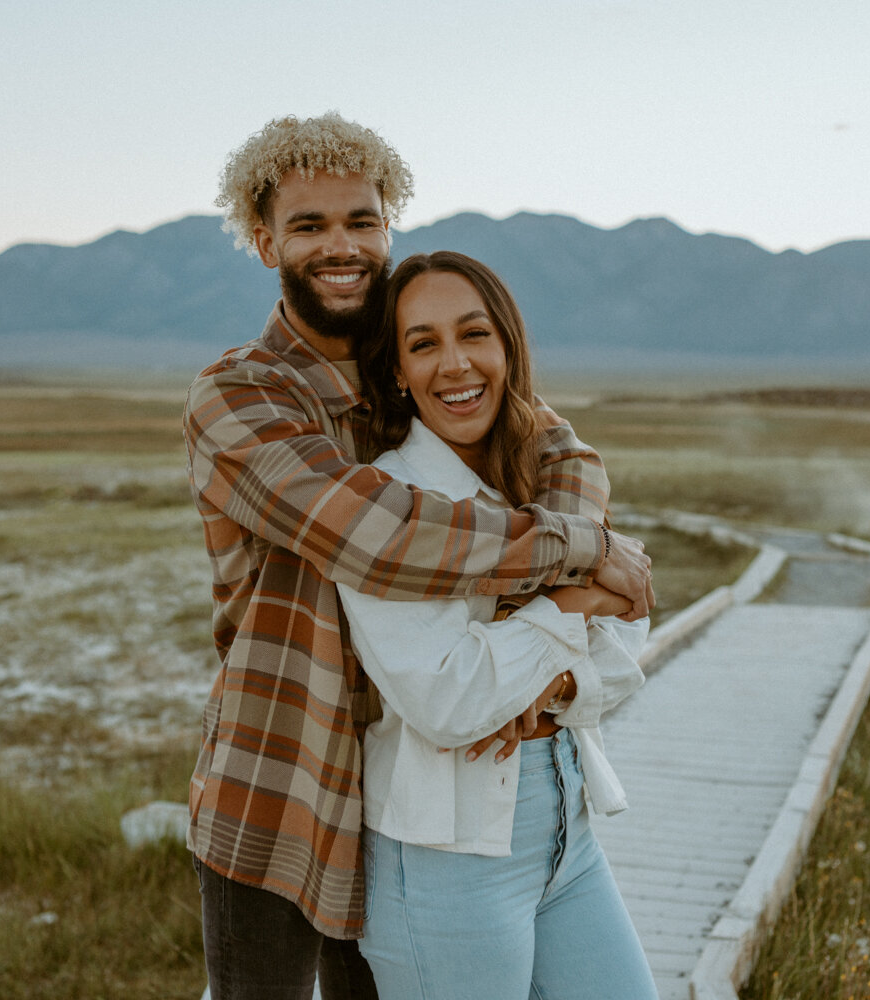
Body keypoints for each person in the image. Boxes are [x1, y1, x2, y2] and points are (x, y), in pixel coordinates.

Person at [183, 113, 654, 1000]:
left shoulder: (411, 362)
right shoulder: (240, 393)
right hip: (288, 770)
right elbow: (378, 535)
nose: (342, 245)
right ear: (262, 241)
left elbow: (563, 454)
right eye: (309, 225)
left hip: (410, 786)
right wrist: (580, 567)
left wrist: (536, 667)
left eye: (362, 220)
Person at [340, 250, 659, 999]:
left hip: (567, 838)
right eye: (424, 344)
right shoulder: (386, 503)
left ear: (508, 347)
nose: (455, 365)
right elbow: (450, 702)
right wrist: (578, 604)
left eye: (474, 334)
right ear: (396, 372)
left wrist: (538, 685)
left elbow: (627, 650)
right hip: (445, 861)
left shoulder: (548, 481)